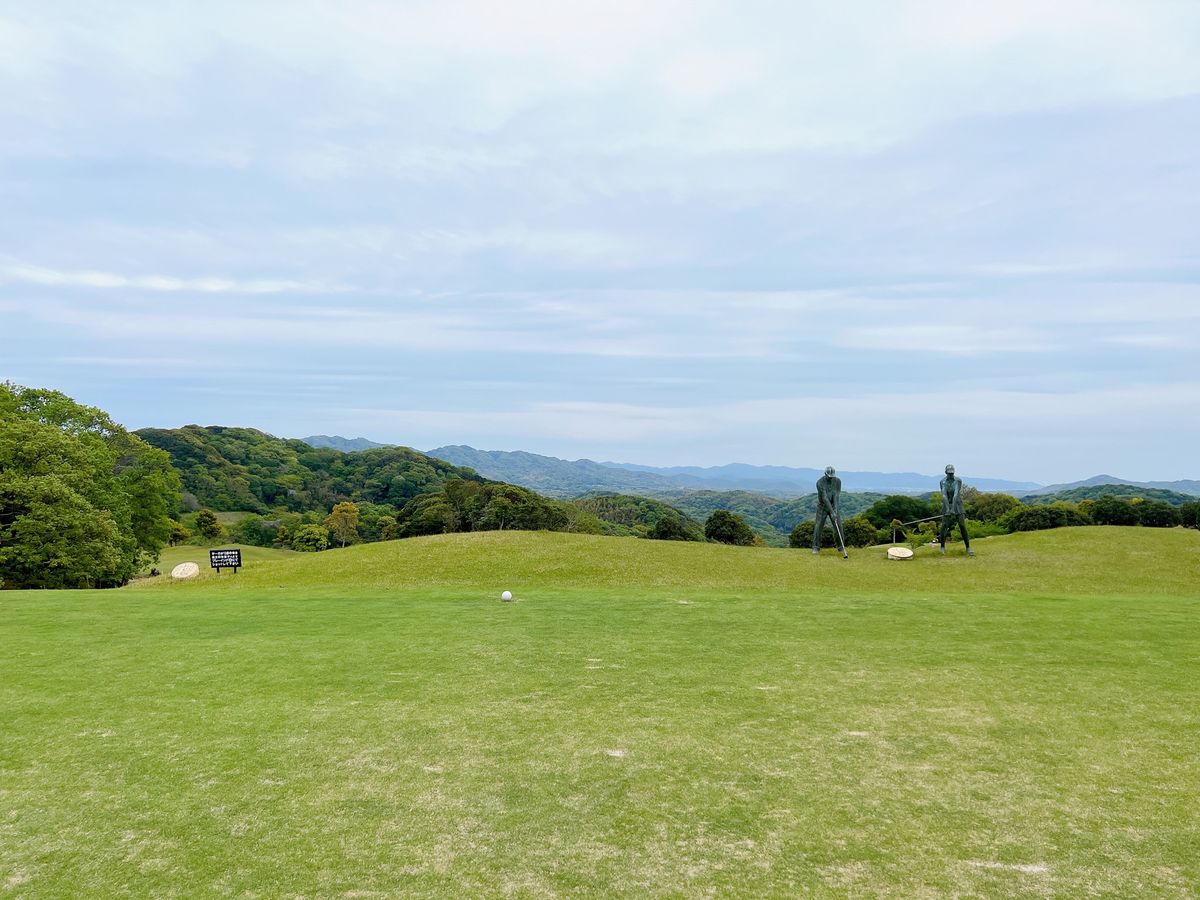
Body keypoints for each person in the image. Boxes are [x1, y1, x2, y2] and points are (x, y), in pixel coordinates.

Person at [939, 464, 973, 556]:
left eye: (952, 473)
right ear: (946, 472)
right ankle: (942, 547)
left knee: (962, 525)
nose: (951, 475)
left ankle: (968, 547)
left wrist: (953, 509)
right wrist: (948, 509)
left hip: (957, 505)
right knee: (944, 526)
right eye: (949, 473)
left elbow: (955, 495)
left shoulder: (958, 481)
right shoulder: (942, 482)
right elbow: (944, 496)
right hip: (947, 505)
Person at [813, 466, 844, 555]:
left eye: (832, 476)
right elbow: (825, 498)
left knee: (838, 525)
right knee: (818, 526)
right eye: (829, 476)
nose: (831, 478)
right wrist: (831, 511)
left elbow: (836, 496)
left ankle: (841, 547)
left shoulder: (838, 481)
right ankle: (816, 547)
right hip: (822, 506)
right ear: (825, 474)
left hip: (834, 506)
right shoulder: (820, 482)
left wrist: (835, 510)